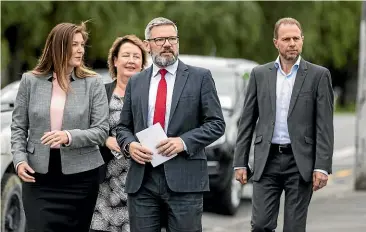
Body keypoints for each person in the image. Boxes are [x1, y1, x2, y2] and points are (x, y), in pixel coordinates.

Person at [115, 17, 225, 232]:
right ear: (148, 45)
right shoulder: (136, 81)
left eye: (172, 39)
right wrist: (130, 145)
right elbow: (123, 127)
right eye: (161, 39)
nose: (167, 44)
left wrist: (183, 142)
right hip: (143, 180)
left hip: (185, 179)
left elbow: (216, 124)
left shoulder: (200, 77)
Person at [233, 17, 334, 232]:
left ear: (302, 40)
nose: (292, 43)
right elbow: (247, 121)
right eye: (286, 39)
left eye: (296, 38)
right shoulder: (260, 74)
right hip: (266, 161)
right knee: (260, 225)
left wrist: (322, 166)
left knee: (294, 228)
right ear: (276, 42)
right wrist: (240, 161)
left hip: (300, 162)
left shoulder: (318, 75)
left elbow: (324, 125)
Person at [11, 22, 109, 232]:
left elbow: (102, 130)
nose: (81, 49)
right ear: (58, 46)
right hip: (38, 177)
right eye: (74, 44)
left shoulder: (93, 83)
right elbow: (19, 127)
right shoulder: (30, 81)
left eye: (82, 44)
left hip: (81, 178)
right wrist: (19, 160)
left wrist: (68, 136)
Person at [90, 35, 148, 232]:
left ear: (142, 63)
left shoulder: (151, 95)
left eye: (136, 56)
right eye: (126, 55)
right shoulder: (101, 92)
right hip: (105, 183)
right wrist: (105, 139)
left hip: (142, 181)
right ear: (115, 60)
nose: (131, 60)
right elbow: (86, 127)